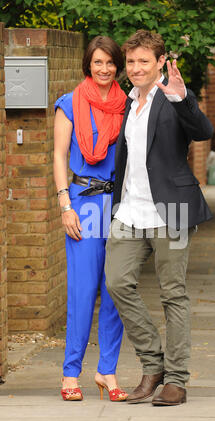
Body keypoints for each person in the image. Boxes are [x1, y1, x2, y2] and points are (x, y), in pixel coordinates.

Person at [105, 30, 213, 406]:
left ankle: (177, 380)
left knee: (174, 294)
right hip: (130, 211)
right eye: (131, 62)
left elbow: (203, 131)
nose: (136, 68)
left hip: (173, 212)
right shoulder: (127, 103)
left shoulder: (174, 98)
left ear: (160, 62)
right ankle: (153, 364)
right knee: (117, 283)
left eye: (144, 62)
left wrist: (183, 99)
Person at [53, 36, 128, 402]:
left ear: (118, 66)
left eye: (110, 63)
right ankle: (71, 373)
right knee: (83, 292)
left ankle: (107, 371)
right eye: (98, 62)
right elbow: (58, 155)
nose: (104, 69)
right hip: (83, 204)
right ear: (88, 64)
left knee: (115, 291)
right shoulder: (69, 104)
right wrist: (64, 205)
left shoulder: (128, 105)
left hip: (119, 205)